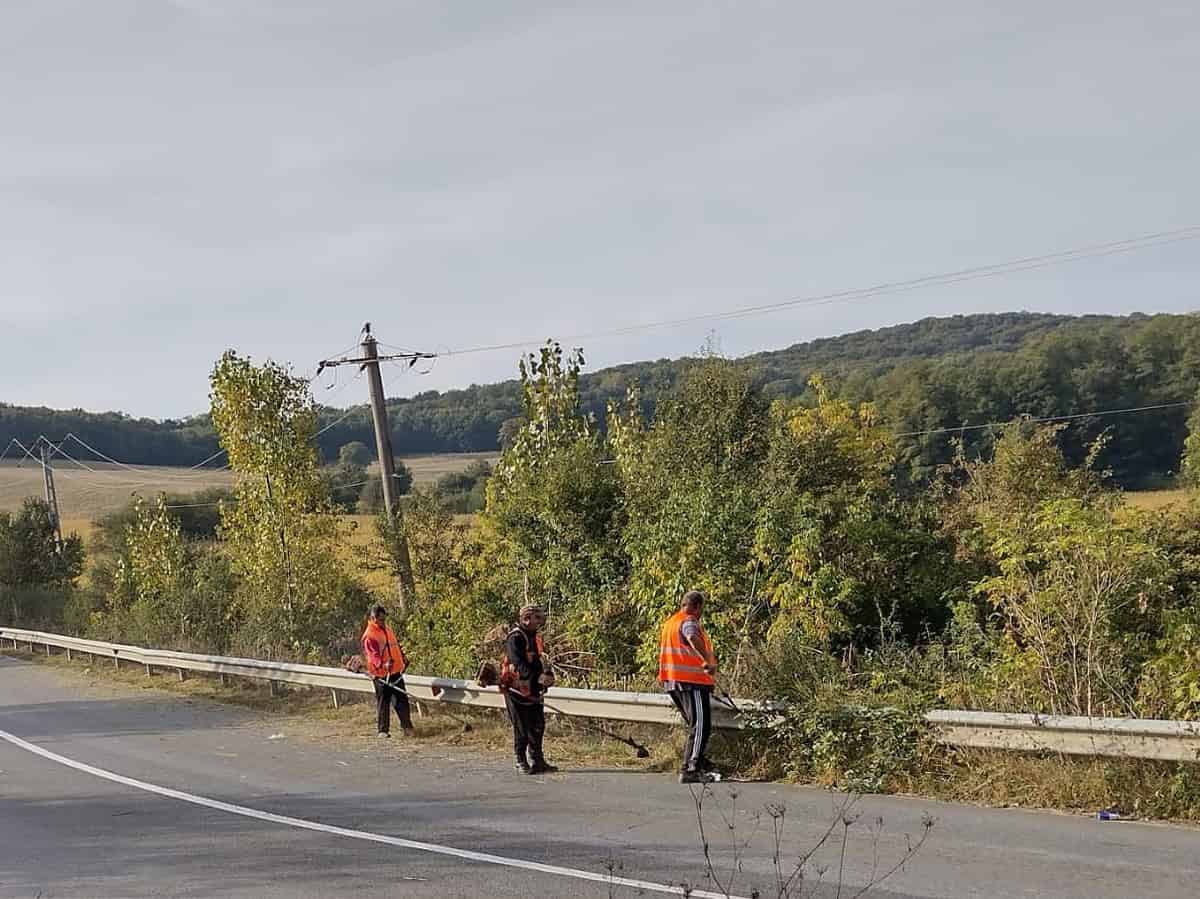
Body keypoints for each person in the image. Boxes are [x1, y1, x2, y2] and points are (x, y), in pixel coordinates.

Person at [659, 590, 719, 783]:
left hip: (673, 681)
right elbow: (692, 637)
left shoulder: (671, 622)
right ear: (697, 606)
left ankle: (699, 762)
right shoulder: (689, 621)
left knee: (696, 725)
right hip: (691, 682)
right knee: (701, 725)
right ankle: (691, 768)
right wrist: (707, 661)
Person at [501, 603, 557, 774]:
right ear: (526, 619)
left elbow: (537, 661)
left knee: (538, 725)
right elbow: (518, 663)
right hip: (517, 689)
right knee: (522, 727)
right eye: (537, 618)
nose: (539, 622)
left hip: (533, 689)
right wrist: (536, 677)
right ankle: (520, 760)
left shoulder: (534, 636)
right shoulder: (515, 638)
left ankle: (538, 760)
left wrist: (545, 677)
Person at [361, 605, 413, 738]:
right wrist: (384, 665)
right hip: (381, 675)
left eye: (384, 619)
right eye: (380, 620)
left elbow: (395, 646)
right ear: (373, 619)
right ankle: (383, 731)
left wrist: (403, 658)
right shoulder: (370, 635)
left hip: (395, 672)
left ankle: (407, 727)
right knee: (384, 702)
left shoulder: (388, 630)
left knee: (401, 701)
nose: (383, 622)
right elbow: (373, 656)